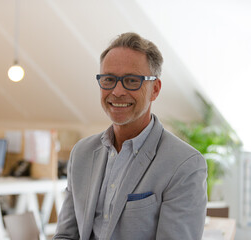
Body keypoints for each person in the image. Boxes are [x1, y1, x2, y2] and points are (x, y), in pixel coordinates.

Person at [53, 32, 207, 240]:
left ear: (155, 89)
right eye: (108, 79)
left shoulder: (184, 165)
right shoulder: (81, 153)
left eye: (131, 80)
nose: (117, 91)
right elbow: (65, 235)